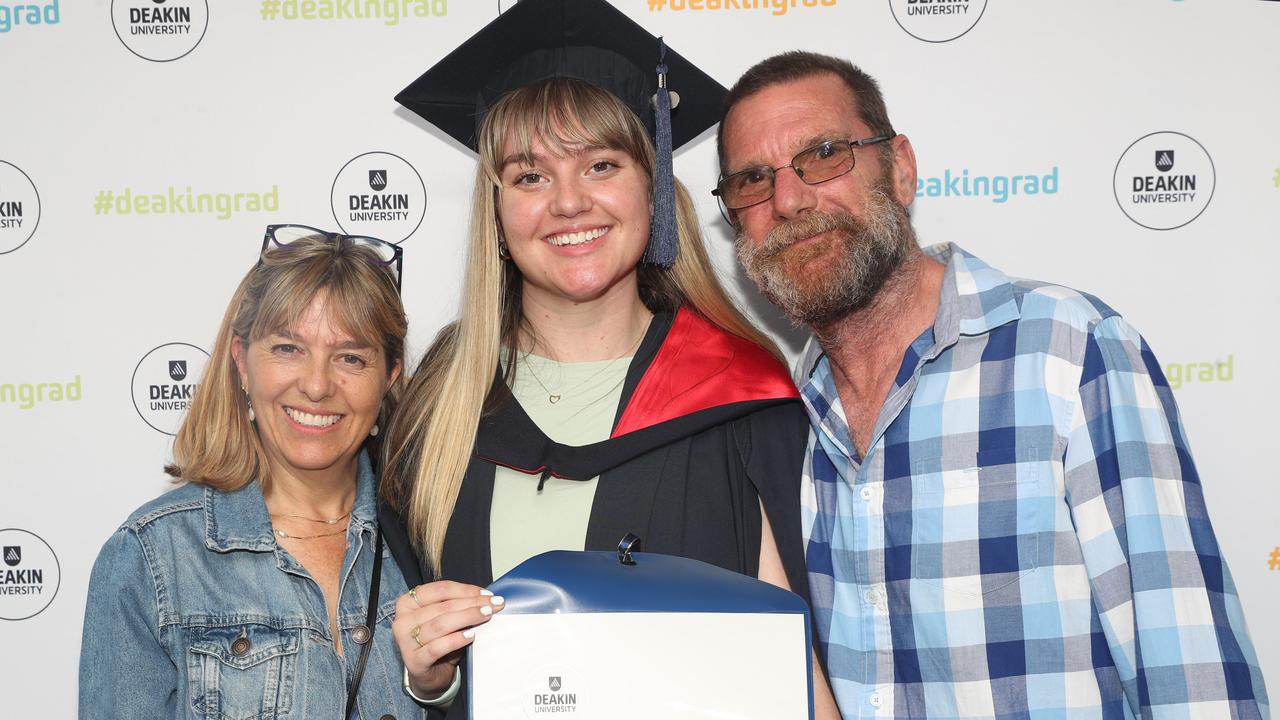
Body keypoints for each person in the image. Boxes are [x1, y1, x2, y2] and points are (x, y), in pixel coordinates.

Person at [716, 50, 1269, 718]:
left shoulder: (1068, 349)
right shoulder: (780, 420)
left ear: (902, 168)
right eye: (752, 180)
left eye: (826, 153)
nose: (789, 199)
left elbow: (1192, 671)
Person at [378, 1, 837, 717]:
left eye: (601, 164)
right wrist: (429, 676)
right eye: (529, 177)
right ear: (496, 210)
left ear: (652, 188)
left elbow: (789, 668)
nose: (568, 202)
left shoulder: (740, 397)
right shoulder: (440, 406)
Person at [78, 227, 418, 719]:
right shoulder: (154, 556)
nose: (318, 385)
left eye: (350, 357)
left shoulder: (428, 538)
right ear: (241, 363)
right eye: (287, 348)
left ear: (389, 378)